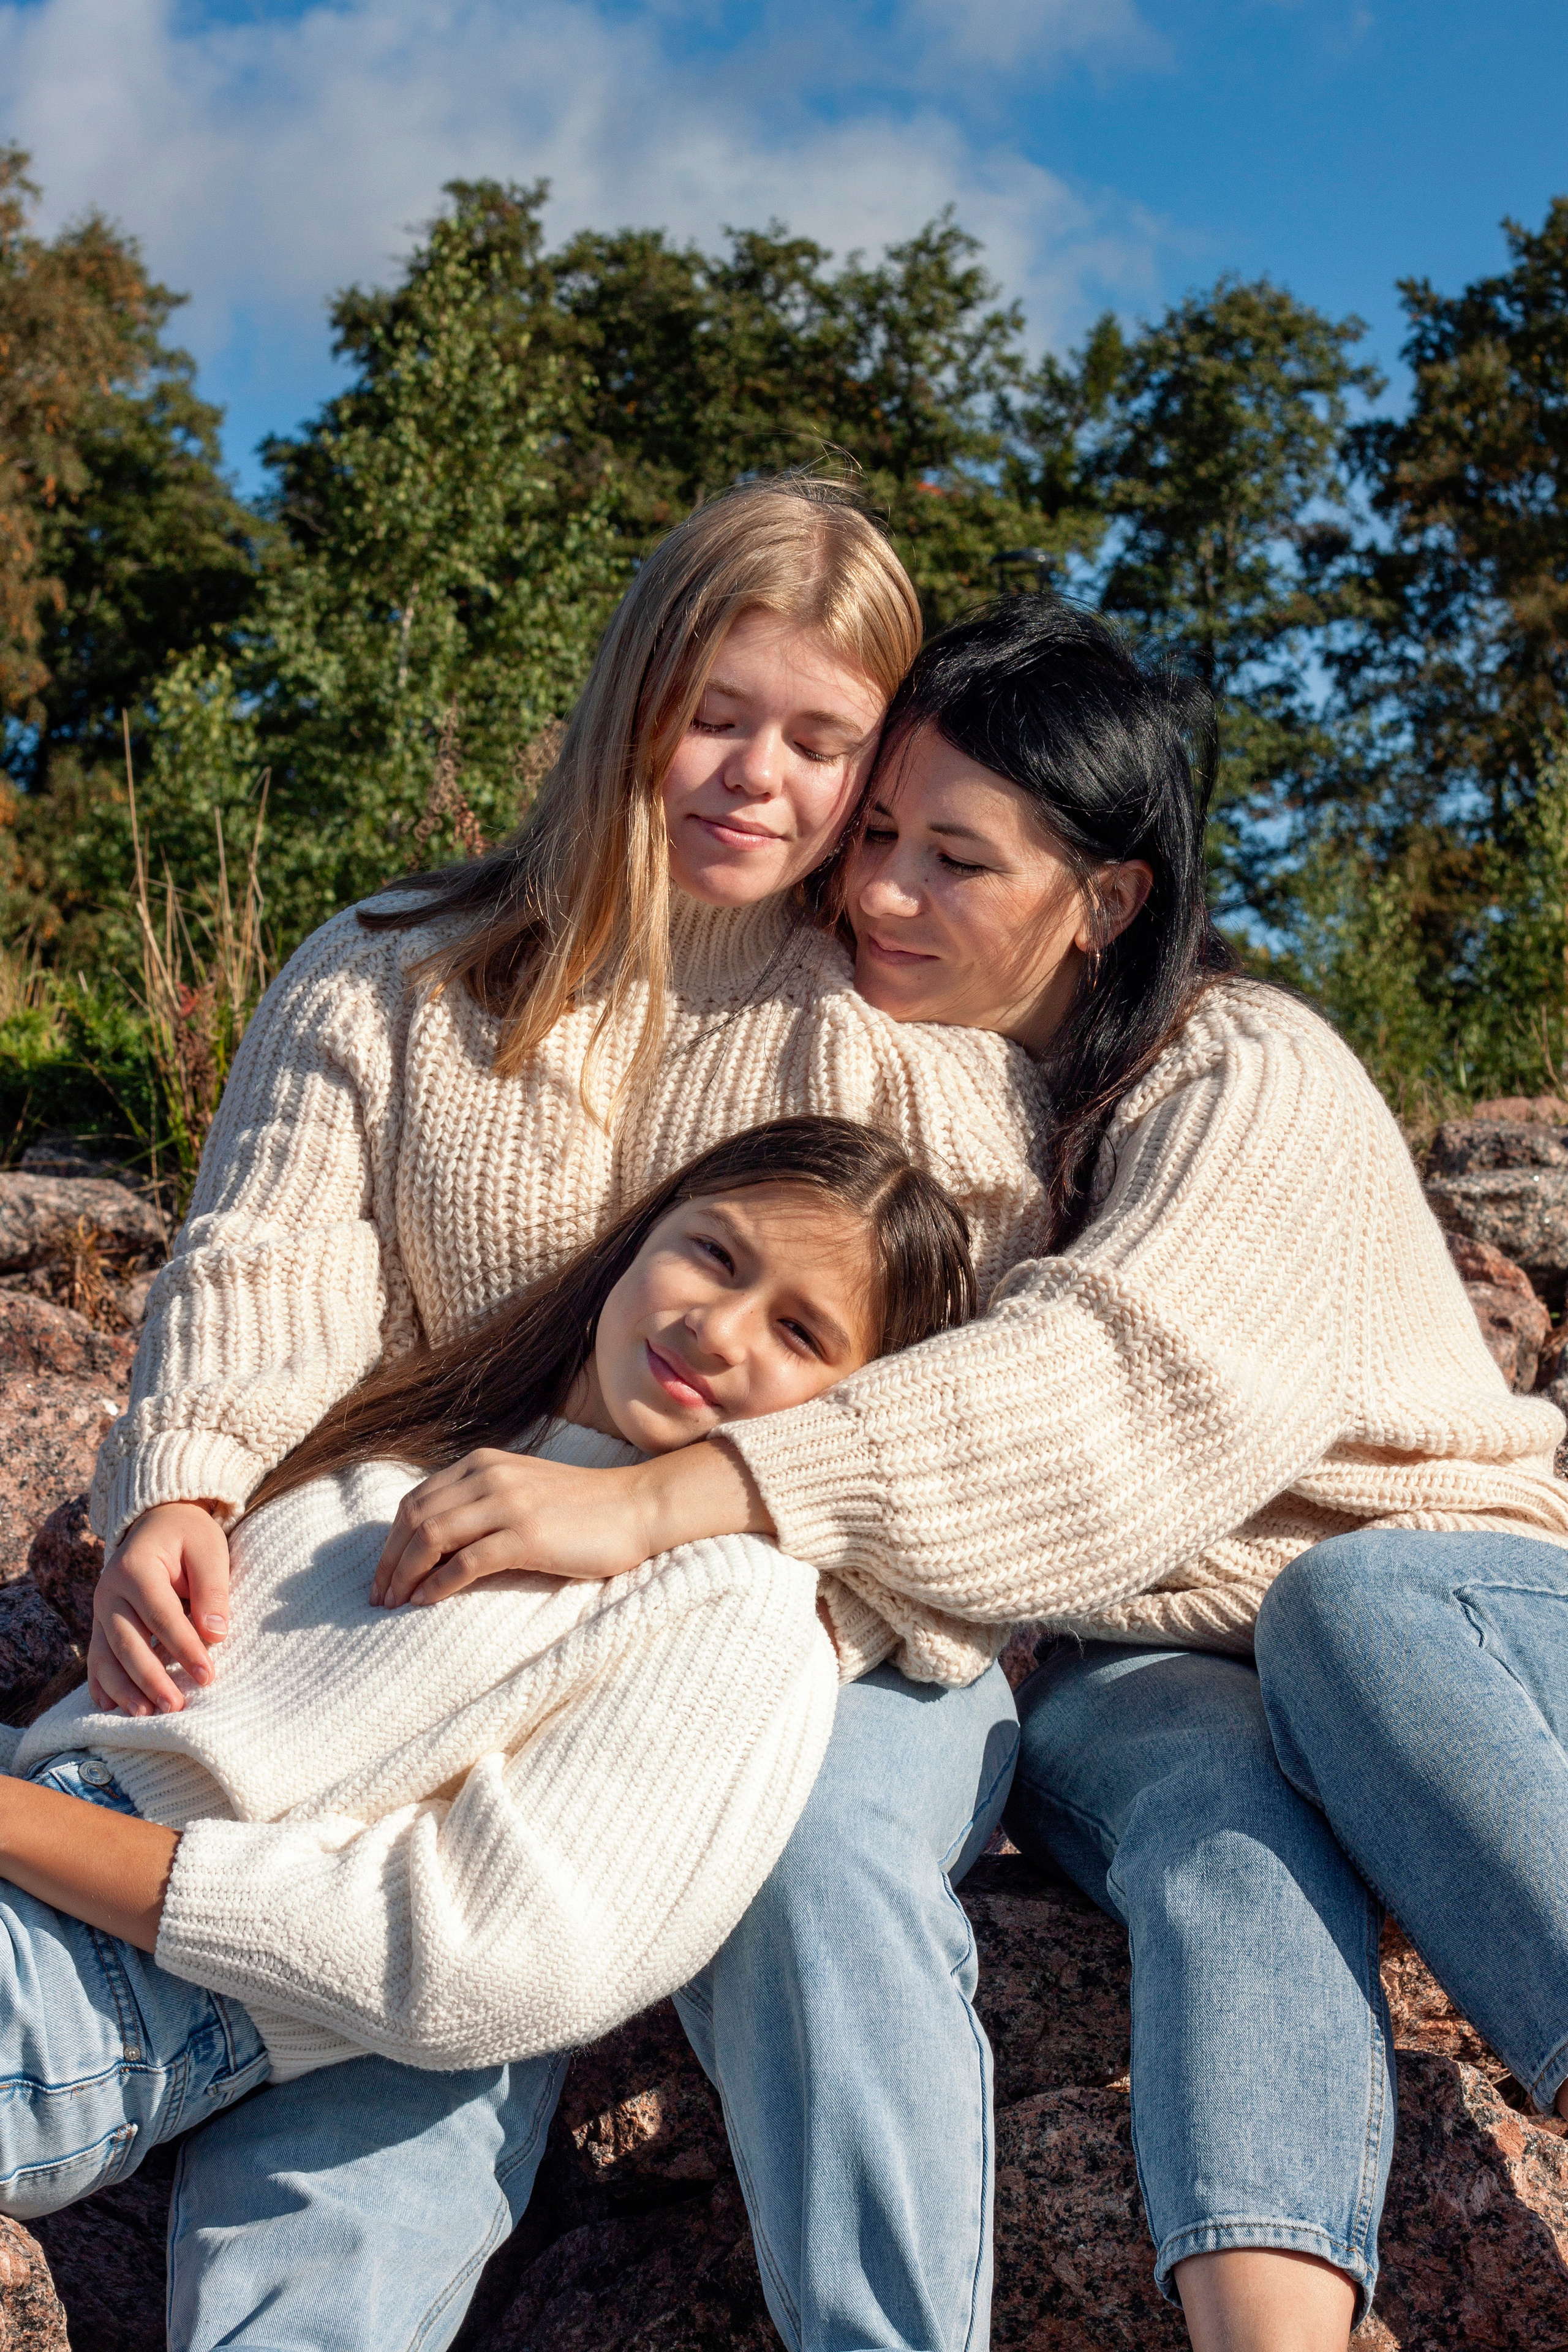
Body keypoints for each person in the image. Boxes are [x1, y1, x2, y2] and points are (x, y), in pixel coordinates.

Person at [409, 595, 1568, 2352]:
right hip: (1151, 1648)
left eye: (956, 858)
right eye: (876, 837)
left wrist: (673, 1493)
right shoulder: (936, 1089)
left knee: (1345, 1603)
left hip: (1454, 1608)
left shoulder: (1252, 1071)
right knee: (1207, 1824)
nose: (881, 892)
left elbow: (1115, 1385)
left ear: (1107, 900)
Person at [78, 477, 1041, 2352]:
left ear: (878, 770)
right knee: (388, 2001)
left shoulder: (909, 1046)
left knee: (817, 1857)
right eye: (719, 712)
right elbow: (277, 1255)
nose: (759, 777)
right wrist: (180, 1486)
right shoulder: (394, 968)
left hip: (800, 1633)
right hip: (466, 1594)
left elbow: (969, 1421)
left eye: (825, 741)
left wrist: (700, 1537)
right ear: (628, 700)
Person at [0, 1118, 976, 2146]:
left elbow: (495, 1956)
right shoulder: (439, 1424)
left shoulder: (742, 1607)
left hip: (125, 1983)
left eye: (800, 1334)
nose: (720, 1329)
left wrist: (23, 1823)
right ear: (645, 1233)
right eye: (715, 1253)